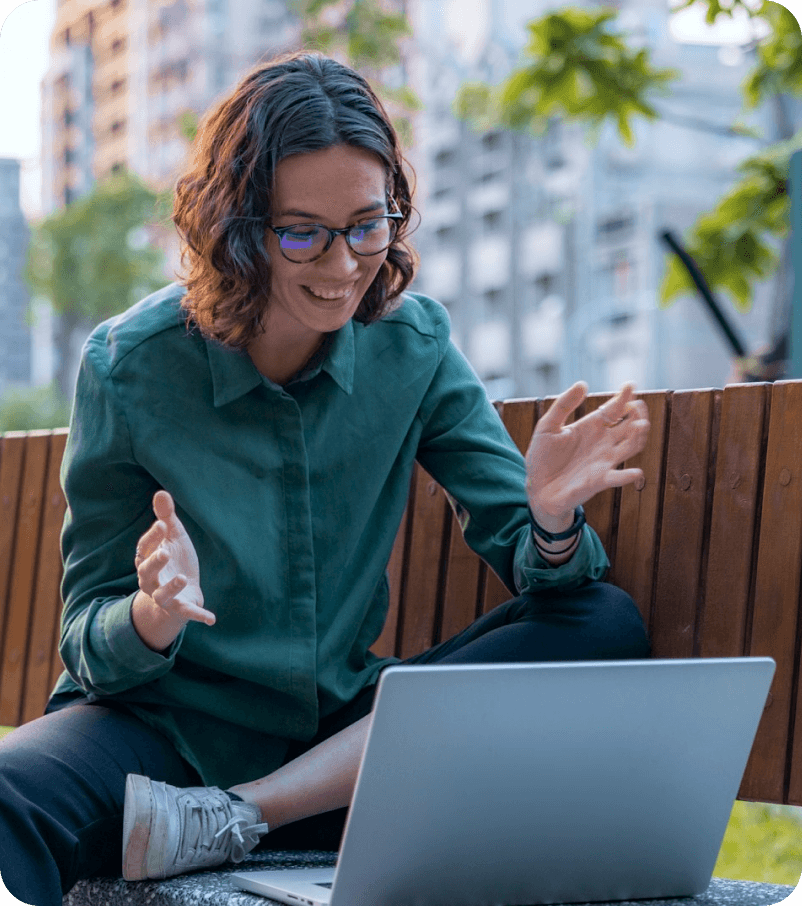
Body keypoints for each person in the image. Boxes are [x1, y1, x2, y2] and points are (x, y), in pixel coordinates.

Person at [0, 51, 651, 906]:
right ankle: (222, 814)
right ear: (237, 230)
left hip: (340, 751)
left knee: (603, 622)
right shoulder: (128, 367)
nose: (344, 266)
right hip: (165, 739)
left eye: (367, 225)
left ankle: (243, 815)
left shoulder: (414, 346)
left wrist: (555, 521)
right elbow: (88, 635)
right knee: (10, 790)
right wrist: (153, 616)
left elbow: (547, 577)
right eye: (302, 232)